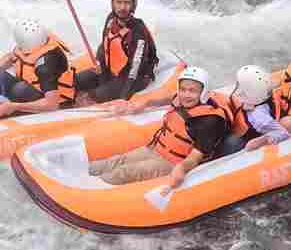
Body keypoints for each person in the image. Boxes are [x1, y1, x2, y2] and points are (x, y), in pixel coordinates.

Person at [88, 66, 230, 190]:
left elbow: (196, 156)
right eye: (183, 89)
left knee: (124, 172)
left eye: (192, 91)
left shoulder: (210, 121)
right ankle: (83, 171)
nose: (186, 95)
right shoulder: (181, 99)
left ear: (203, 93)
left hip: (173, 162)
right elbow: (170, 98)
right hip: (156, 148)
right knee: (118, 160)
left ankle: (88, 192)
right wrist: (147, 102)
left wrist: (181, 169)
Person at [0, 19, 76, 123]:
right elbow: (11, 57)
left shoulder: (45, 67)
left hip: (54, 96)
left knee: (18, 90)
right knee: (1, 75)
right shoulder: (33, 42)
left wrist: (15, 106)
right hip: (34, 82)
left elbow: (52, 104)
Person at [75, 0, 159, 103]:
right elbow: (104, 46)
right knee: (74, 82)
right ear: (112, 3)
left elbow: (134, 70)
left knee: (91, 97)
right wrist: (99, 65)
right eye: (118, 2)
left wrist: (123, 98)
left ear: (133, 5)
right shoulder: (110, 19)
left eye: (127, 3)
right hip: (112, 70)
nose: (122, 7)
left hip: (132, 78)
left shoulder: (138, 32)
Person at [214, 65, 290, 156]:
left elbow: (282, 132)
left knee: (230, 143)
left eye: (239, 84)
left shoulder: (258, 118)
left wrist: (263, 140)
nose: (237, 87)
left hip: (244, 139)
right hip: (242, 125)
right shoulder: (259, 97)